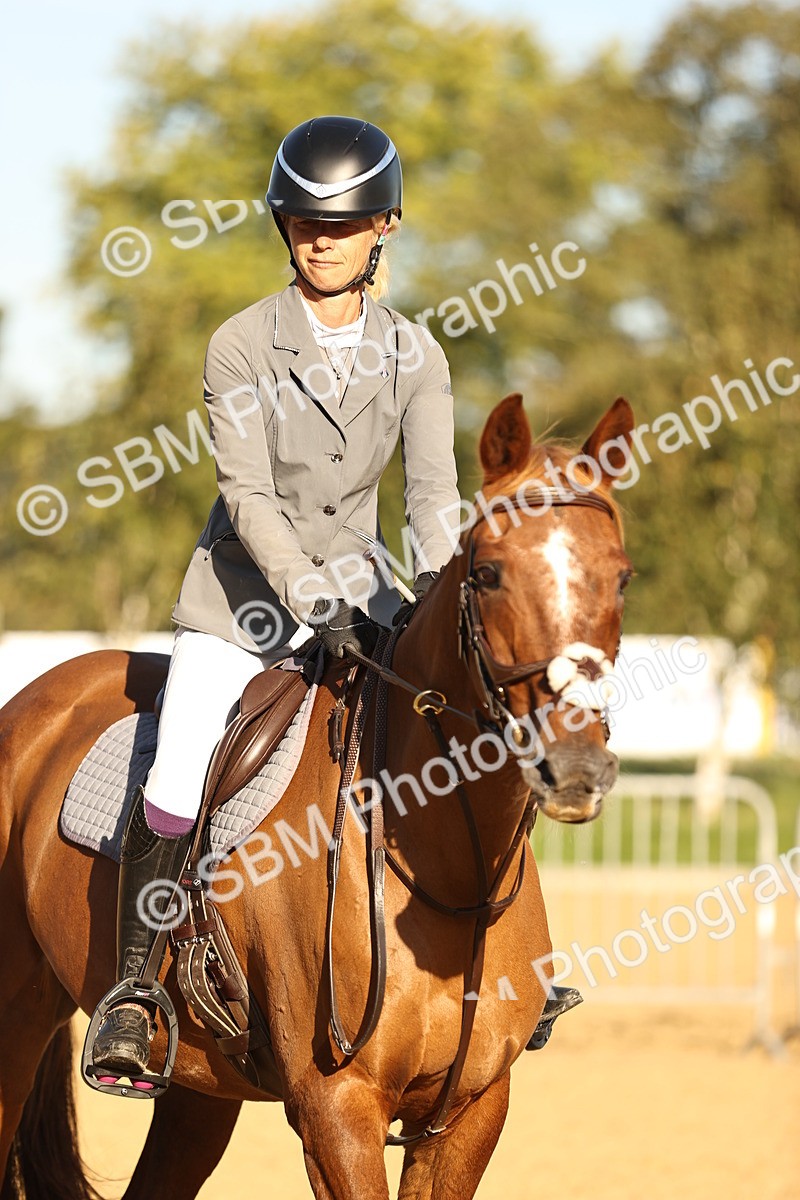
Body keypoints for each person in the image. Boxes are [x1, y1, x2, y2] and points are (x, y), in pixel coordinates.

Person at [90, 115, 461, 1081]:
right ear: (282, 225)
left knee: (462, 731)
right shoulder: (240, 344)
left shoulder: (418, 357)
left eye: (341, 224)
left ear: (383, 227)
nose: (320, 239)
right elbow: (247, 496)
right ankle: (133, 988)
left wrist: (445, 592)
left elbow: (430, 499)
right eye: (302, 222)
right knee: (179, 764)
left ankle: (496, 966)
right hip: (244, 600)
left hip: (369, 594)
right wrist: (309, 595)